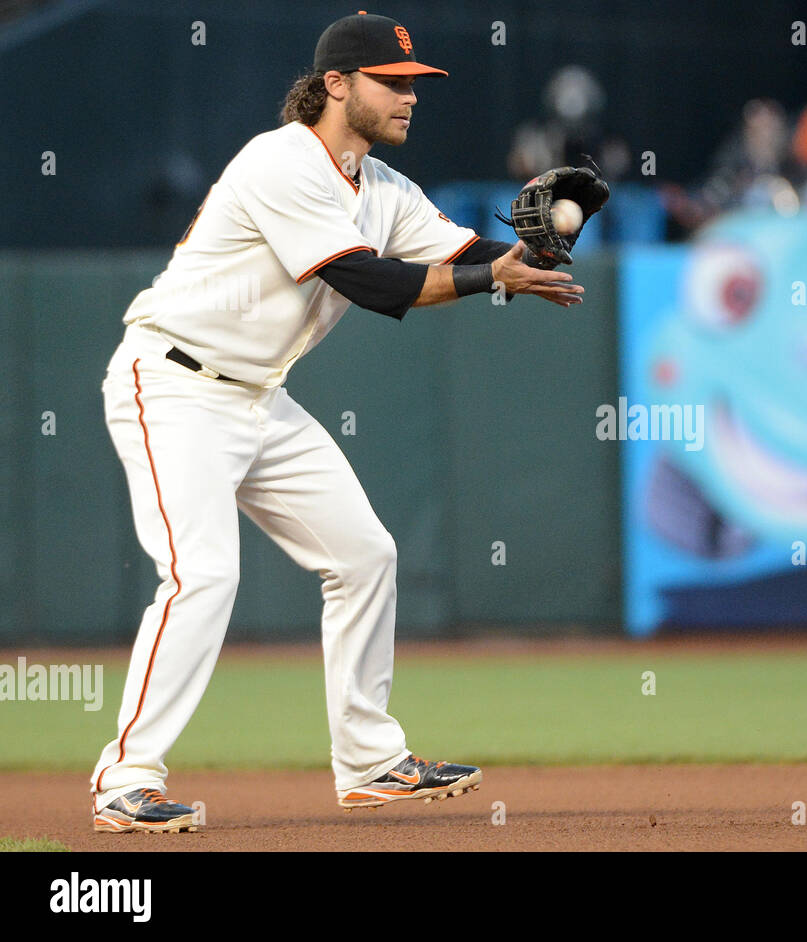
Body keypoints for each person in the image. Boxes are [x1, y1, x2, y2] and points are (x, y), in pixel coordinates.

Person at [91, 11, 589, 833]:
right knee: (204, 574)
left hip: (257, 395)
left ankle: (369, 763)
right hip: (173, 383)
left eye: (415, 84)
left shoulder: (384, 188)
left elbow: (468, 254)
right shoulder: (281, 160)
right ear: (335, 85)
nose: (409, 97)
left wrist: (543, 238)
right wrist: (489, 277)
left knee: (364, 556)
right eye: (392, 84)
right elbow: (371, 282)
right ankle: (126, 779)